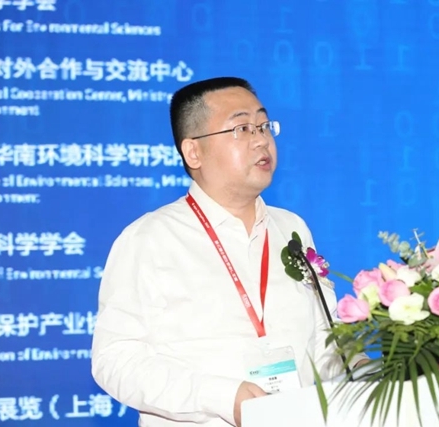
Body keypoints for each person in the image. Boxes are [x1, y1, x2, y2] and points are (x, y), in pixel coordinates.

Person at [91, 77, 367, 427]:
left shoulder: (291, 229)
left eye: (264, 126)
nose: (261, 140)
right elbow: (115, 360)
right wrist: (222, 397)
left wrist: (361, 368)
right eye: (241, 129)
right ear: (193, 152)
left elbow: (322, 340)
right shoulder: (149, 239)